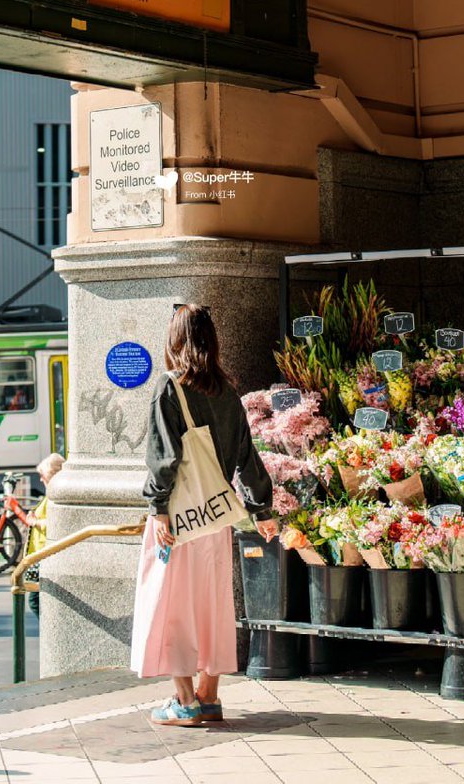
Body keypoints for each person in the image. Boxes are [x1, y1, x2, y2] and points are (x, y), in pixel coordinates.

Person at [130, 304, 278, 727]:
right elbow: (247, 455)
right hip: (215, 518)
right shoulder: (227, 392)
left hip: (177, 517)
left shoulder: (170, 387)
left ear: (175, 340)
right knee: (213, 603)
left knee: (171, 603)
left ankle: (184, 702)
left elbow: (164, 456)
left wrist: (158, 508)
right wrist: (261, 508)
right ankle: (209, 696)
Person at [25, 452, 65, 619]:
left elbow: (57, 524)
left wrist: (35, 522)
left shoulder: (55, 497)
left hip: (46, 553)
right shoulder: (53, 495)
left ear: (51, 475)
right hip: (44, 553)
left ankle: (51, 629)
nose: (41, 480)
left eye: (42, 476)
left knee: (35, 600)